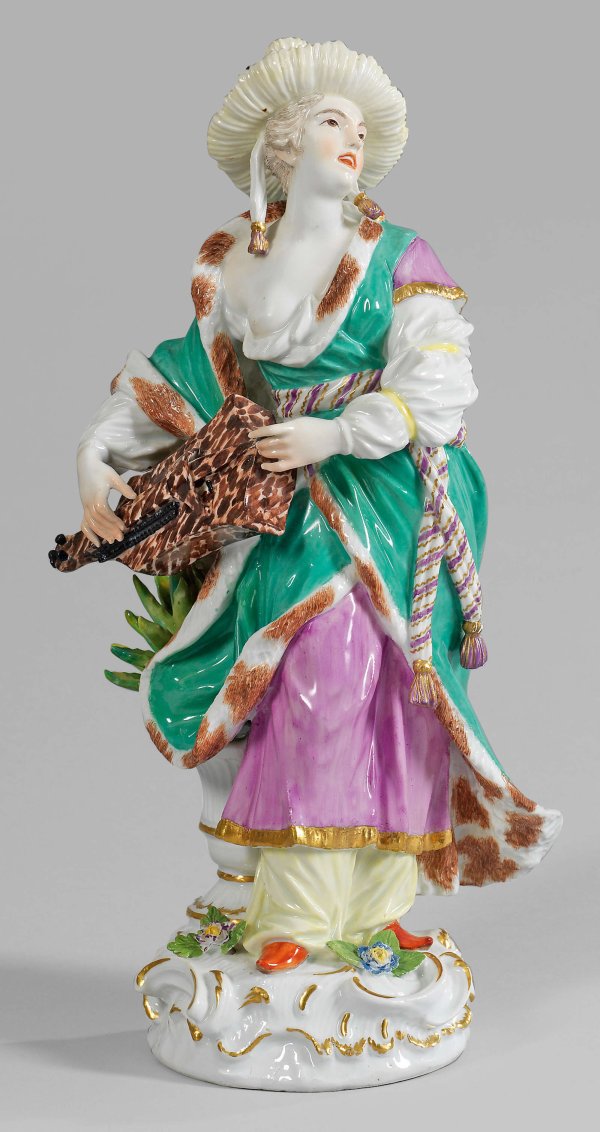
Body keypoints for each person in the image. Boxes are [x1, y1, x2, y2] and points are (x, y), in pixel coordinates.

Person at [76, 38, 561, 973]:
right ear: (283, 142)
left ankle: (376, 908)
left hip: (390, 493)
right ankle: (294, 914)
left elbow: (440, 381)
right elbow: (186, 377)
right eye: (334, 122)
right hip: (285, 503)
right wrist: (94, 459)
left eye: (361, 130)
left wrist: (337, 435)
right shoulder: (230, 264)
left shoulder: (399, 256)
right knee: (314, 681)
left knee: (392, 691)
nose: (354, 140)